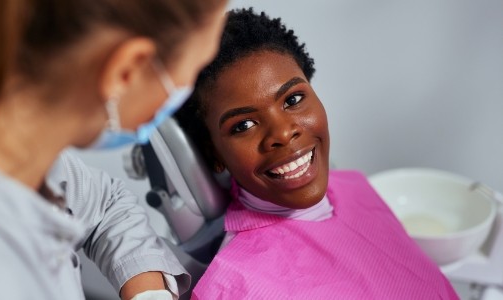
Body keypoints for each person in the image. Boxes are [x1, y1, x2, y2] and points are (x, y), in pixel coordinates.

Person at [0, 1, 227, 299]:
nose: (183, 91)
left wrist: (147, 288)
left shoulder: (15, 147)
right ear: (126, 71)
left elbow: (106, 203)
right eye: (194, 70)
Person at [175, 8, 459, 299]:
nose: (283, 133)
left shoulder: (354, 186)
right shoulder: (239, 286)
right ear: (214, 154)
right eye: (244, 125)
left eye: (293, 99)